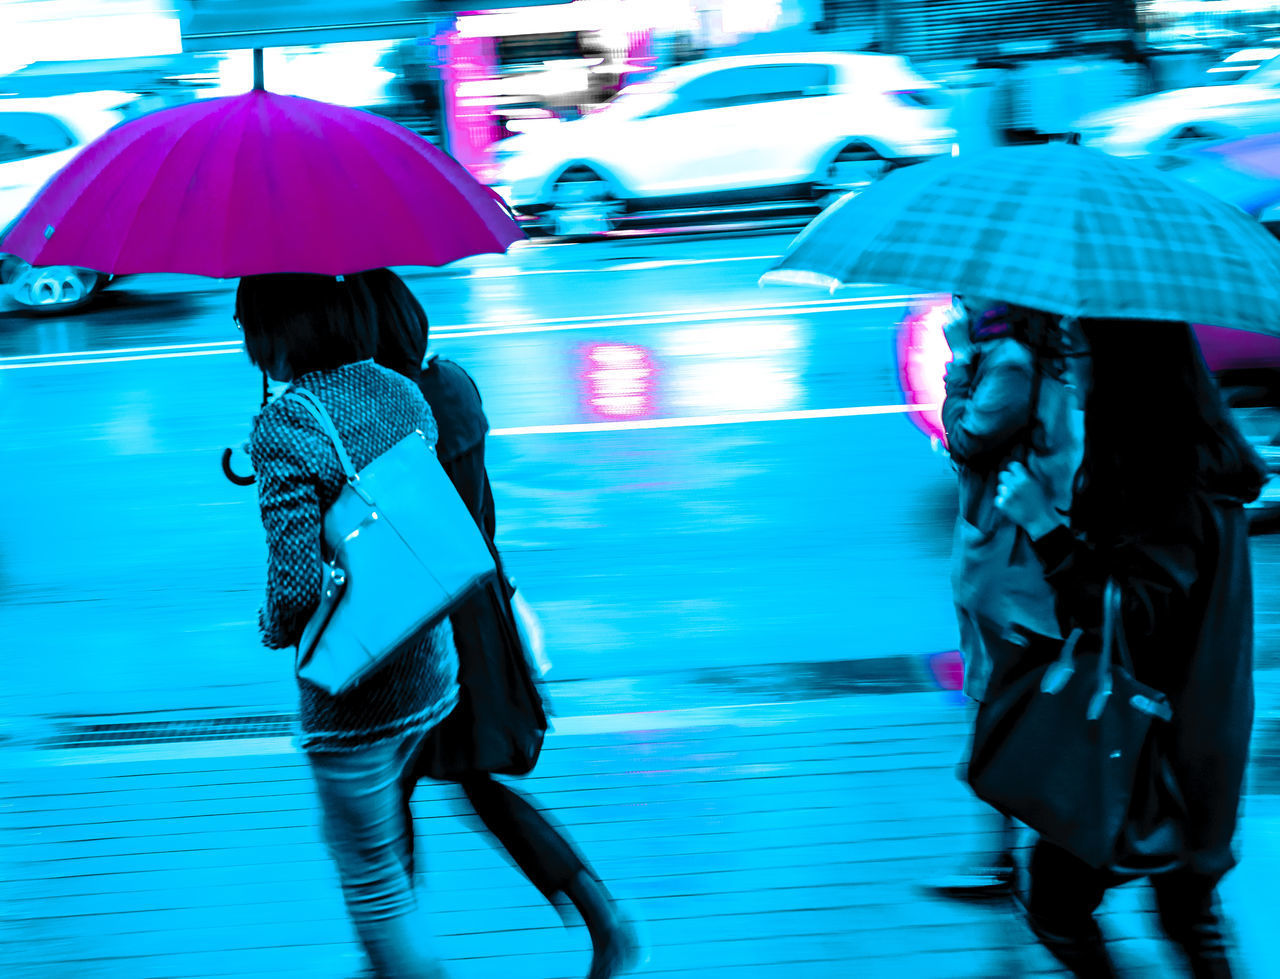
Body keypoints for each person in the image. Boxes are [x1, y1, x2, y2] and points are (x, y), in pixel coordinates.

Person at [355, 267, 641, 979]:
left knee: (391, 780)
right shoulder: (452, 384)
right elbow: (477, 512)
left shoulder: (388, 412)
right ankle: (601, 915)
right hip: (475, 606)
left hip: (420, 619)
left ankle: (397, 953)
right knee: (458, 776)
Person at [995, 319, 1266, 978]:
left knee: (1059, 898)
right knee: (1186, 908)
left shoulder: (1164, 476)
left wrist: (1044, 526)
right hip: (1201, 727)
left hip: (1146, 737)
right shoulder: (1190, 457)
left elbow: (1136, 613)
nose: (1065, 369)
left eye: (1075, 353)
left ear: (1124, 368)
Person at [240, 273, 457, 977]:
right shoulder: (400, 389)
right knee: (386, 847)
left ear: (275, 332)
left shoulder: (287, 424)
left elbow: (297, 584)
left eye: (247, 329)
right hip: (428, 662)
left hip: (354, 690)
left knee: (370, 880)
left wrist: (271, 628)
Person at [933, 298, 1084, 897]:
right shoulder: (1034, 354)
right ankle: (1001, 854)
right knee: (1005, 704)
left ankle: (1014, 856)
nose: (958, 299)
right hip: (1004, 555)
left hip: (1008, 564)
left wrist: (961, 360)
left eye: (969, 291)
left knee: (1003, 704)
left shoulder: (1010, 363)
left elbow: (966, 439)